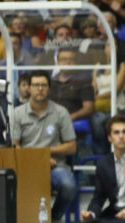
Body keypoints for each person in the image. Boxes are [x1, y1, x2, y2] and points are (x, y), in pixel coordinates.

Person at [11, 71, 78, 221]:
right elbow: (14, 146)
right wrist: (38, 160)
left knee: (69, 186)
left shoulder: (61, 112)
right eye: (36, 85)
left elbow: (72, 146)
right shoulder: (17, 113)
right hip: (26, 167)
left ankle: (53, 218)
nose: (40, 89)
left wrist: (44, 154)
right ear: (28, 88)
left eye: (43, 85)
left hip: (56, 166)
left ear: (49, 88)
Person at [81, 114, 125, 223]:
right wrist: (91, 213)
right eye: (116, 132)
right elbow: (98, 198)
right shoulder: (103, 164)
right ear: (110, 138)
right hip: (114, 214)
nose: (121, 136)